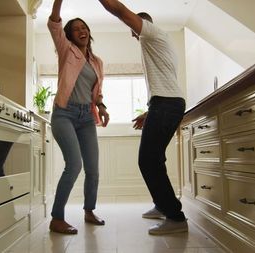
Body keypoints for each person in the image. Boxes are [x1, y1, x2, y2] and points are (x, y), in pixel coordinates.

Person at [97, 0, 188, 235]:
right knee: (155, 159)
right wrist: (151, 111)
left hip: (167, 103)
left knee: (148, 160)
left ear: (141, 25)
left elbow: (117, 9)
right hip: (165, 102)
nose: (133, 36)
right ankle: (162, 205)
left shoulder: (151, 32)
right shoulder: (157, 42)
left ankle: (176, 218)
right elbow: (165, 82)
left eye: (133, 30)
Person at [47, 0, 110, 234]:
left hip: (86, 117)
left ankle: (89, 210)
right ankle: (57, 218)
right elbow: (54, 23)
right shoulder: (66, 50)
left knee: (93, 169)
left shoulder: (97, 62)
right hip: (64, 113)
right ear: (70, 36)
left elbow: (97, 91)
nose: (82, 31)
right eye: (76, 29)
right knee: (74, 165)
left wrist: (101, 106)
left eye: (84, 27)